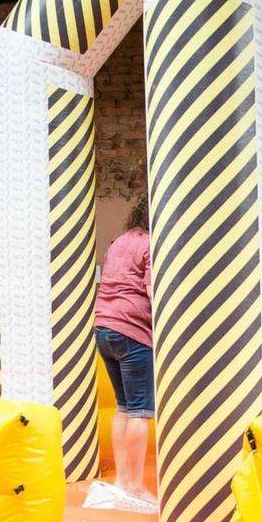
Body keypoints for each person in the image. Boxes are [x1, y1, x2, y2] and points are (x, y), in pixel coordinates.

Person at [93, 198, 155, 500]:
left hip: (104, 327)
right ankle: (136, 486)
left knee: (122, 407)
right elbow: (152, 290)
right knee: (141, 412)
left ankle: (121, 480)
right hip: (134, 331)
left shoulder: (119, 243)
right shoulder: (151, 244)